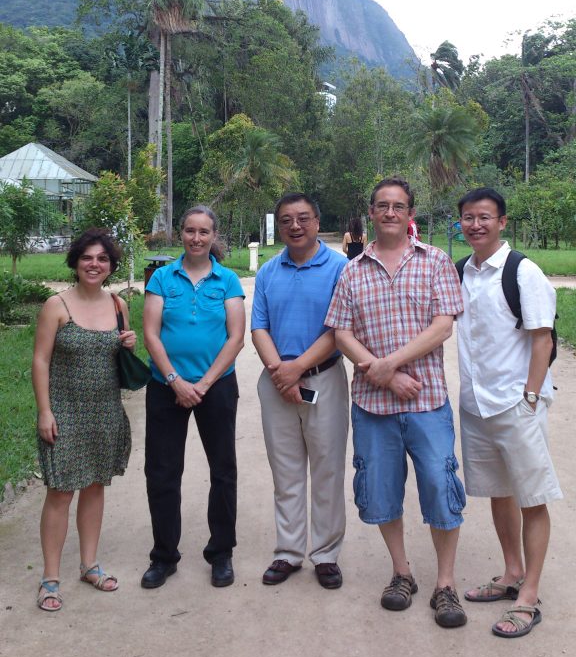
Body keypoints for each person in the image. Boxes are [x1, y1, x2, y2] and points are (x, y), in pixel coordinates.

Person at [326, 177, 467, 628]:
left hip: (426, 400)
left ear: (410, 215)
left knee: (440, 490)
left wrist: (390, 365)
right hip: (372, 407)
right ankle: (401, 573)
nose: (390, 212)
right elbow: (341, 332)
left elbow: (443, 326)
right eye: (382, 205)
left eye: (398, 206)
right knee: (382, 493)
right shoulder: (352, 270)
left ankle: (446, 584)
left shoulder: (436, 262)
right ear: (370, 212)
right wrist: (380, 373)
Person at [456, 187, 562, 638]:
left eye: (484, 217)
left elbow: (544, 339)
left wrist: (531, 398)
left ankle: (529, 595)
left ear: (502, 222)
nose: (475, 224)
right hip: (476, 404)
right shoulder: (461, 271)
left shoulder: (523, 271)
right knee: (499, 492)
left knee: (531, 497)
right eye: (468, 217)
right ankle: (510, 572)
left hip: (516, 403)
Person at [141, 205, 245, 590]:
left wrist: (203, 383)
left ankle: (221, 552)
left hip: (216, 386)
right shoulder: (162, 278)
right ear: (180, 233)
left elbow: (236, 337)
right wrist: (175, 380)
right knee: (163, 472)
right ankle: (164, 556)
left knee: (222, 471)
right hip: (166, 387)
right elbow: (151, 333)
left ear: (213, 235)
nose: (196, 238)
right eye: (189, 230)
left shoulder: (227, 280)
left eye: (204, 232)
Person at [33, 228, 134, 612]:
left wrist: (130, 342)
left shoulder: (118, 304)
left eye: (102, 259)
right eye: (88, 258)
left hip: (105, 410)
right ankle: (50, 578)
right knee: (60, 491)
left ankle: (89, 565)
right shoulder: (56, 306)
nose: (95, 264)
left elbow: (121, 351)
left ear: (111, 266)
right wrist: (45, 410)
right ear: (75, 262)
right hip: (64, 411)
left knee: (94, 486)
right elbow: (40, 360)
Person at [251, 192, 349, 589]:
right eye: (287, 219)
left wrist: (298, 369)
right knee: (286, 471)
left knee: (327, 470)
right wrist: (281, 373)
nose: (295, 226)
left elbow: (339, 329)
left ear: (316, 221)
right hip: (276, 382)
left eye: (303, 218)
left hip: (324, 379)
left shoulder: (341, 268)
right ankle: (288, 552)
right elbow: (259, 327)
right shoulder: (269, 272)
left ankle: (325, 554)